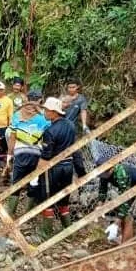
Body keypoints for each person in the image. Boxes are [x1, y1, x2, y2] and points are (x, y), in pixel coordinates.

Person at [4, 90, 50, 211]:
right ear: (40, 100)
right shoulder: (43, 117)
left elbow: (12, 136)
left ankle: (10, 212)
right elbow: (49, 135)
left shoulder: (18, 114)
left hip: (20, 152)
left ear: (27, 98)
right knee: (34, 181)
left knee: (16, 181)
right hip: (36, 154)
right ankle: (28, 212)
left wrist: (9, 155)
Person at [37, 97, 76, 235]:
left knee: (47, 199)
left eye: (47, 110)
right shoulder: (71, 125)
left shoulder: (50, 131)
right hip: (68, 166)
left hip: (54, 169)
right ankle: (69, 232)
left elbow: (46, 156)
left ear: (54, 112)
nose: (45, 113)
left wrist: (36, 174)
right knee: (64, 200)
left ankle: (46, 233)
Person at [96, 157, 136, 242]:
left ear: (112, 168)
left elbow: (126, 199)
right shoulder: (104, 172)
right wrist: (99, 206)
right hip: (130, 189)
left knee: (130, 215)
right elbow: (102, 189)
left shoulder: (121, 173)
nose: (104, 176)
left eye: (106, 174)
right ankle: (125, 240)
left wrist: (116, 224)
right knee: (123, 213)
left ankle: (127, 244)